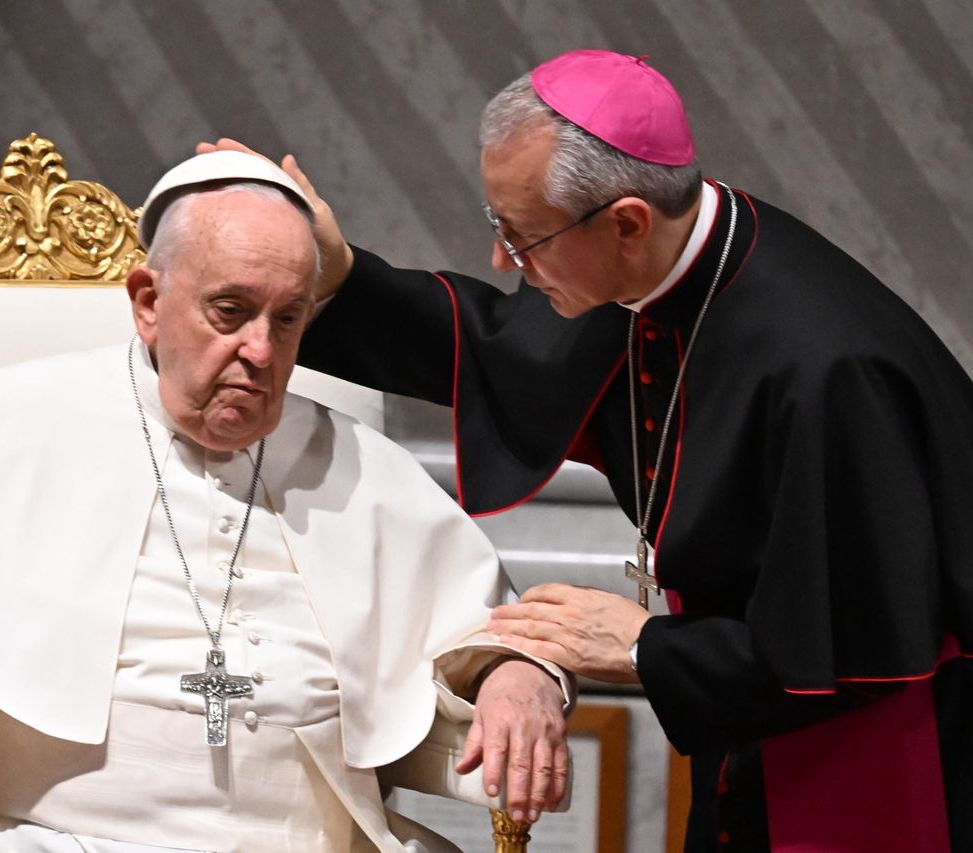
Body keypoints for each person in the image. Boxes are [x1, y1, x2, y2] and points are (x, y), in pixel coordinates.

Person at [208, 49, 973, 851]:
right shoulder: (652, 271)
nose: (505, 259)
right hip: (753, 725)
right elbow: (503, 349)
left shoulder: (825, 371)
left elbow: (853, 642)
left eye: (523, 235)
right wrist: (340, 276)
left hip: (874, 747)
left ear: (628, 222)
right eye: (495, 222)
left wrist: (640, 644)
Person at [0, 152, 573, 852]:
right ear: (148, 300)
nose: (260, 351)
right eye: (230, 311)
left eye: (287, 319)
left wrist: (515, 675)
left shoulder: (365, 467)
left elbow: (494, 630)